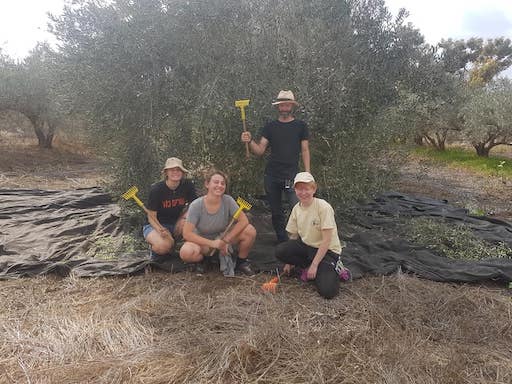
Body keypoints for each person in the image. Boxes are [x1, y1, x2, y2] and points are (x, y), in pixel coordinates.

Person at [241, 89, 310, 243]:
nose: (284, 108)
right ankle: (282, 242)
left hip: (292, 176)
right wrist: (249, 140)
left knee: (297, 210)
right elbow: (259, 150)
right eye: (282, 105)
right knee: (276, 213)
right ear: (278, 107)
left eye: (287, 105)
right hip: (272, 176)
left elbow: (305, 150)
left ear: (292, 106)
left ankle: (299, 242)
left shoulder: (301, 126)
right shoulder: (270, 127)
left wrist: (308, 174)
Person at [275, 172, 346, 299]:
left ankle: (334, 268)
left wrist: (314, 265)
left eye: (306, 189)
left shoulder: (323, 207)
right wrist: (289, 261)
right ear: (295, 190)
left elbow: (327, 240)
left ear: (313, 189)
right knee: (281, 250)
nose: (303, 193)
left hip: (326, 251)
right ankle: (306, 266)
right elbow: (293, 236)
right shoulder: (297, 208)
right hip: (307, 247)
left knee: (327, 291)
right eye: (299, 189)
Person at [180, 169, 257, 276]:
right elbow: (187, 234)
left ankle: (241, 262)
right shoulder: (196, 205)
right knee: (186, 252)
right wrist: (212, 243)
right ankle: (203, 261)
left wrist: (226, 240)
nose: (219, 186)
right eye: (216, 182)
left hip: (222, 236)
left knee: (250, 231)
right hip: (203, 240)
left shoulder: (228, 200)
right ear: (207, 184)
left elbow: (244, 221)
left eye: (223, 183)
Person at [143, 157, 198, 260]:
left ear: (182, 172)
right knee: (163, 246)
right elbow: (151, 217)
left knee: (194, 228)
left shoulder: (187, 185)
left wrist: (183, 218)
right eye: (172, 170)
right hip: (155, 224)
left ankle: (178, 246)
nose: (175, 172)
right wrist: (160, 229)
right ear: (166, 172)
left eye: (178, 170)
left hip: (176, 222)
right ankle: (156, 249)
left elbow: (194, 205)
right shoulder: (156, 189)